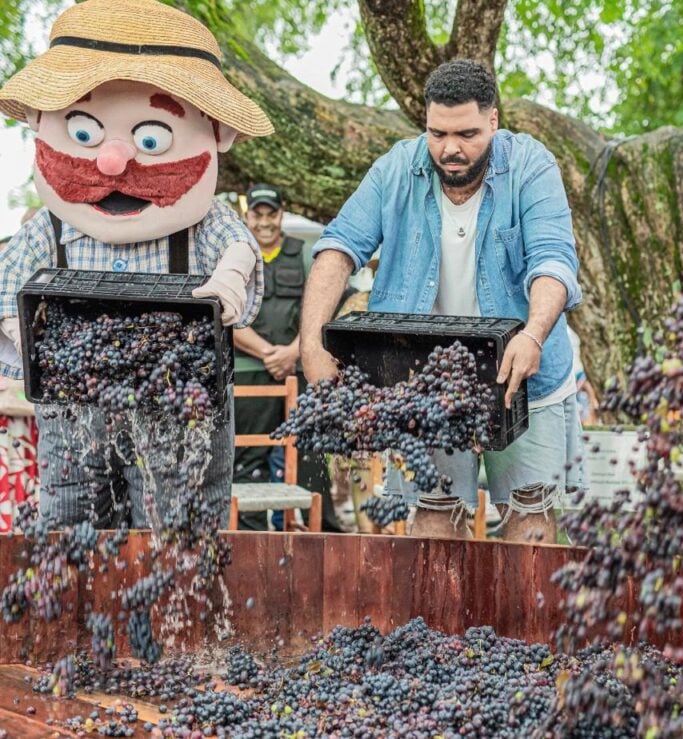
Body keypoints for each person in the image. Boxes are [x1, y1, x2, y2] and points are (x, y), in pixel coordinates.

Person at [0, 0, 271, 528]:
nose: (113, 161)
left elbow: (238, 249)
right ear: (40, 120)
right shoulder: (46, 230)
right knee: (73, 529)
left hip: (181, 414)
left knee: (180, 539)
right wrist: (24, 328)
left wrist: (231, 279)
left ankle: (179, 606)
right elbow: (4, 282)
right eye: (85, 131)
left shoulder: (204, 224)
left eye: (151, 139)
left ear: (217, 132)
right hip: (77, 413)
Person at [301, 59, 584, 543]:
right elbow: (338, 247)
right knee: (432, 516)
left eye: (467, 134)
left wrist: (533, 333)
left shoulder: (532, 166)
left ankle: (519, 622)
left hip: (524, 375)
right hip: (424, 378)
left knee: (530, 520)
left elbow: (553, 260)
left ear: (494, 120)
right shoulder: (394, 169)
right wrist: (311, 344)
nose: (450, 149)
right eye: (437, 133)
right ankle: (439, 622)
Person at [233, 184, 350, 531]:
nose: (265, 222)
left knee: (311, 452)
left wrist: (294, 351)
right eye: (258, 214)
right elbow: (227, 312)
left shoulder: (303, 253)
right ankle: (249, 530)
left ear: (282, 214)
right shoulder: (235, 254)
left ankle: (322, 528)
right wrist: (268, 353)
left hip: (299, 368)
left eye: (272, 214)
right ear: (247, 216)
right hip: (249, 368)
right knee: (247, 457)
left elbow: (323, 304)